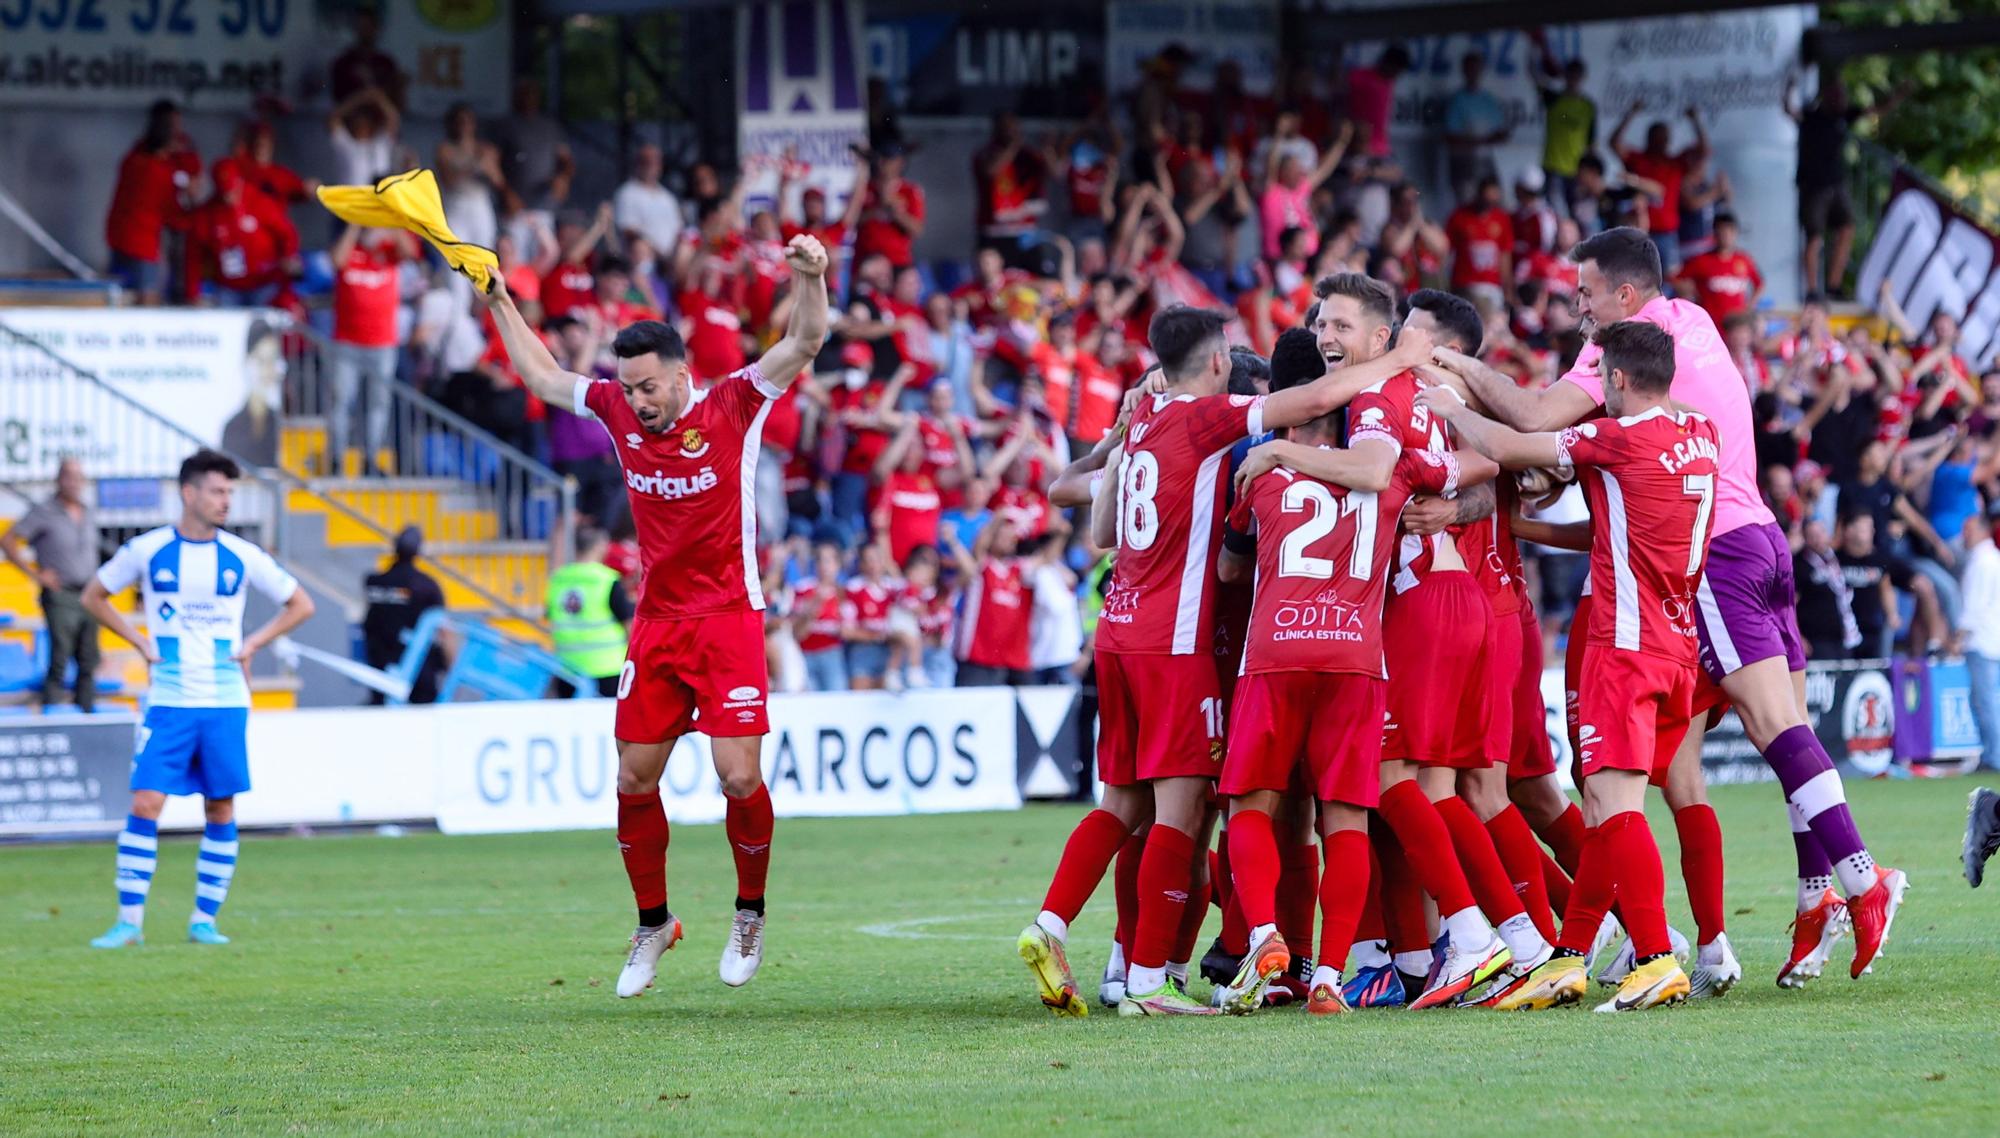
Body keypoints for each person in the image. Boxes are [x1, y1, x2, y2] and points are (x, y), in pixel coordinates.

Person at [1431, 225, 1908, 987]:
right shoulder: (1694, 321)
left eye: (1586, 292)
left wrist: (1451, 368)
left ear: (1624, 297)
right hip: (1759, 536)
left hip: (1699, 566)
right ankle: (1806, 907)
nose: (1578, 308)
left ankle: (1855, 878)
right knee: (1734, 750)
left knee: (1752, 734)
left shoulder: (1618, 351)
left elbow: (1530, 423)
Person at [1016, 303, 1446, 1018]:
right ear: (1220, 369)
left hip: (1123, 631)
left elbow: (1084, 510)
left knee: (1129, 805)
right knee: (1194, 817)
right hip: (1194, 646)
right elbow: (1312, 408)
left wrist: (1119, 436)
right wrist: (1401, 363)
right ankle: (1159, 974)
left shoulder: (1149, 419)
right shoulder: (1223, 431)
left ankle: (1068, 930)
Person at [476, 232, 830, 994]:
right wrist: (500, 298)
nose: (637, 401)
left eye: (648, 388)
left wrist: (811, 277)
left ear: (682, 376)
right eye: (628, 388)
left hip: (730, 615)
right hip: (659, 624)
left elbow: (806, 337)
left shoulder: (737, 401)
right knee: (634, 780)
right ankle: (654, 924)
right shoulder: (614, 410)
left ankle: (750, 911)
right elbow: (541, 373)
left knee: (738, 778)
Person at [1424, 319, 1716, 1013]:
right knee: (1602, 805)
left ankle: (1653, 957)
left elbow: (1505, 442)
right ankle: (1568, 956)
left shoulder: (1614, 438)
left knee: (1614, 809)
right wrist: (1521, 525)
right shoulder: (1701, 434)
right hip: (1679, 644)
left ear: (1614, 379)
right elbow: (1612, 521)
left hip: (1625, 646)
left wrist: (1450, 405)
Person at [1215, 371, 1474, 1015]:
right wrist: (1453, 501)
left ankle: (1265, 936)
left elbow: (1229, 565)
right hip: (1357, 658)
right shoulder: (1393, 473)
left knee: (1251, 803)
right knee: (1348, 818)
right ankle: (1331, 975)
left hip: (1275, 653)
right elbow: (1482, 463)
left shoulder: (1263, 472)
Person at [80, 450, 316, 949]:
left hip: (225, 700)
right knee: (146, 802)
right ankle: (129, 923)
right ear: (189, 493)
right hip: (168, 698)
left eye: (230, 492)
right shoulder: (147, 550)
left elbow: (301, 604)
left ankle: (204, 921)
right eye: (217, 491)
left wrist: (254, 644)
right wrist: (138, 641)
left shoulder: (241, 554)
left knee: (221, 808)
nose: (226, 500)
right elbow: (92, 596)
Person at [1, 459, 101, 712]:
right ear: (59, 480)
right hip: (61, 594)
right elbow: (9, 541)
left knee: (89, 660)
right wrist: (36, 575)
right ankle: (54, 719)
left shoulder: (87, 510)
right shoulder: (44, 510)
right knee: (60, 659)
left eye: (79, 476)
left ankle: (88, 723)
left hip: (89, 594)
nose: (75, 482)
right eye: (70, 476)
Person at [328, 225, 418, 477]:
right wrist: (355, 224)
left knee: (379, 404)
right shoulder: (349, 247)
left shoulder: (389, 250)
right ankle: (336, 459)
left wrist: (390, 220)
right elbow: (336, 260)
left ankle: (370, 460)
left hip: (382, 342)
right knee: (342, 401)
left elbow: (410, 252)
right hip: (347, 341)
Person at [105, 99, 198, 305]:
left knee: (121, 297)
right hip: (140, 245)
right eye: (172, 127)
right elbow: (176, 217)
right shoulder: (155, 171)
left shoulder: (135, 157)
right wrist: (193, 204)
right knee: (145, 299)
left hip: (118, 238)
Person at [1612, 103, 1707, 273]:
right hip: (1641, 231)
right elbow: (1614, 143)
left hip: (1667, 233)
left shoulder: (1676, 163)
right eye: (1656, 137)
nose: (1660, 141)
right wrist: (1631, 114)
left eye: (1663, 137)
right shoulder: (1638, 159)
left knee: (1670, 277)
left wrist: (1695, 121)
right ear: (1648, 138)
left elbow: (1704, 151)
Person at [361, 525, 447, 704]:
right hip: (418, 669)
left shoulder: (373, 582)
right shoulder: (427, 586)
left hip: (380, 665)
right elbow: (444, 631)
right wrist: (450, 666)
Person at [546, 526, 634, 699]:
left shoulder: (558, 579)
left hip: (567, 665)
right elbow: (629, 625)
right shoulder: (607, 580)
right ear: (599, 546)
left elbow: (551, 615)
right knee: (611, 719)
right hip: (607, 665)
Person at [1530, 39, 1595, 215]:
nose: (1574, 80)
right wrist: (1535, 46)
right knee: (1555, 212)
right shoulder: (1554, 99)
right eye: (1570, 75)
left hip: (1576, 170)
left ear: (1582, 78)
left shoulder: (1588, 106)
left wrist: (1589, 172)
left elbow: (1591, 142)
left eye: (1577, 76)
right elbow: (1534, 76)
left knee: (1577, 213)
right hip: (1553, 166)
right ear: (1565, 76)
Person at [1674, 212, 1762, 329]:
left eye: (1729, 231)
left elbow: (1759, 283)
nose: (1725, 235)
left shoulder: (1744, 260)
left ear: (1735, 233)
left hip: (1736, 328)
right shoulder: (1701, 261)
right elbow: (1676, 279)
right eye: (1721, 231)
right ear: (1715, 233)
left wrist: (1749, 306)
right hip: (1709, 324)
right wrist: (1690, 294)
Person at [1443, 53, 1510, 204]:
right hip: (1463, 161)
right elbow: (1450, 136)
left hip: (1485, 160)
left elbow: (1501, 132)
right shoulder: (1457, 100)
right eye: (1470, 68)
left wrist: (1486, 139)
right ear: (1464, 70)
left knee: (1493, 201)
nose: (1473, 72)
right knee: (1467, 202)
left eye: (1476, 68)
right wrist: (1481, 140)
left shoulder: (1487, 99)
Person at [613, 143, 684, 262]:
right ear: (637, 164)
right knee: (640, 247)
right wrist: (659, 256)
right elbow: (629, 232)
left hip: (671, 262)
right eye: (646, 162)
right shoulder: (627, 193)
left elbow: (679, 230)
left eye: (656, 162)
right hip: (643, 262)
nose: (651, 166)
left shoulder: (668, 197)